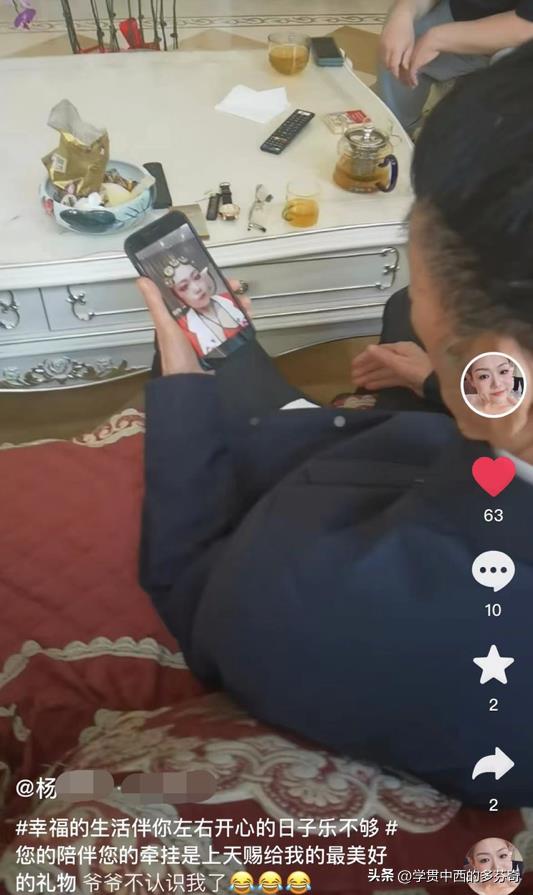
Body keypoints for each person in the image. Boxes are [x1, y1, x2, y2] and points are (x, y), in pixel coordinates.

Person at [138, 44, 533, 807]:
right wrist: (435, 378)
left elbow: (194, 592)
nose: (417, 298)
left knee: (218, 367)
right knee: (383, 328)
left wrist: (181, 387)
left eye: (417, 272)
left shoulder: (334, 612)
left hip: (327, 514)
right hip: (414, 457)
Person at [376, 0, 533, 134]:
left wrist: (437, 38)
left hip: (521, 35)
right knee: (402, 38)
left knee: (512, 71)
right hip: (462, 13)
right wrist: (402, 14)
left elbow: (525, 28)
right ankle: (396, 132)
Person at [164, 255, 248, 356]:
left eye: (196, 277)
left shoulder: (229, 299)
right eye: (184, 287)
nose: (197, 288)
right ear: (177, 297)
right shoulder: (181, 328)